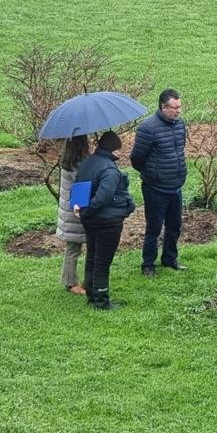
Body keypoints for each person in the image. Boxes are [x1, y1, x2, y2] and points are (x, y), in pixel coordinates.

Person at [73, 131, 136, 310]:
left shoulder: (87, 162)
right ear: (114, 150)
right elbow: (103, 197)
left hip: (89, 221)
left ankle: (92, 295)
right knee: (102, 262)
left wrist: (82, 211)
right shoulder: (109, 169)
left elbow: (77, 188)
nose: (120, 153)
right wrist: (89, 211)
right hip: (107, 222)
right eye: (119, 150)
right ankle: (102, 301)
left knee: (92, 256)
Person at [131, 88, 187, 278]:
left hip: (176, 185)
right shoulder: (148, 128)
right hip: (155, 188)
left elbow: (180, 150)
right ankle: (148, 263)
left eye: (180, 107)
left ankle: (170, 258)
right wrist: (152, 174)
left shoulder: (180, 125)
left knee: (175, 225)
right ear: (163, 107)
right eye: (174, 108)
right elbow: (136, 158)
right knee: (154, 228)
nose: (178, 111)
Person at [56, 135, 90, 296]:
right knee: (74, 248)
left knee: (73, 248)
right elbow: (81, 190)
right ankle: (70, 282)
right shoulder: (78, 166)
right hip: (75, 214)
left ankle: (72, 280)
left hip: (68, 211)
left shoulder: (67, 162)